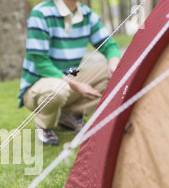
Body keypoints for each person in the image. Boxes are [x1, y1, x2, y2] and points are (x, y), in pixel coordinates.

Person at [18, 0, 121, 145]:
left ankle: (69, 115)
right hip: (38, 88)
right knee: (57, 89)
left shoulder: (87, 14)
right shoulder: (40, 14)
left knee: (118, 73)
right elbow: (41, 64)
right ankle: (44, 126)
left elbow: (109, 45)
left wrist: (113, 62)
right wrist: (78, 86)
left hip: (67, 82)